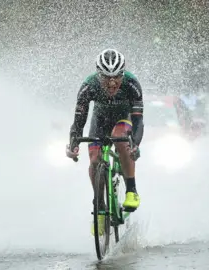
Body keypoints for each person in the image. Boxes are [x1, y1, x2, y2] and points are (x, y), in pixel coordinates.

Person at [65, 49, 144, 236]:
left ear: (123, 74)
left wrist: (136, 144)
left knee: (119, 136)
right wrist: (74, 144)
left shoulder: (132, 84)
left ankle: (132, 190)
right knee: (94, 159)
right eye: (105, 77)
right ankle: (99, 207)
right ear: (98, 75)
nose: (111, 83)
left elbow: (139, 120)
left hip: (124, 120)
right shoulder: (89, 86)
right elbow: (79, 121)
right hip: (99, 120)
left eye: (116, 77)